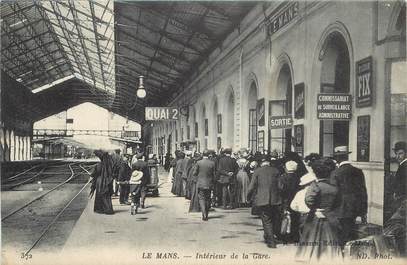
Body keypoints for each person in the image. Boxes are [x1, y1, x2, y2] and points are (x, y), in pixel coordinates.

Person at [296, 158, 342, 261]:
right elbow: (338, 202)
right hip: (330, 217)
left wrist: (315, 209)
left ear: (316, 173)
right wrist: (328, 210)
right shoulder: (334, 188)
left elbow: (308, 199)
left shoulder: (315, 186)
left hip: (314, 218)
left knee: (312, 243)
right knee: (330, 243)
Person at [330, 146, 368, 245]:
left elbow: (334, 192)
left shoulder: (335, 173)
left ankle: (342, 253)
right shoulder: (358, 171)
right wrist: (363, 211)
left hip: (339, 208)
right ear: (346, 156)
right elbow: (363, 192)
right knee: (351, 231)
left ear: (337, 158)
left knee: (340, 234)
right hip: (354, 207)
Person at [247, 155, 282, 248]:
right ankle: (269, 236)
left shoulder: (257, 171)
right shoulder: (276, 171)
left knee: (266, 220)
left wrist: (248, 196)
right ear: (269, 162)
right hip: (275, 199)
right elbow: (280, 186)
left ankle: (271, 241)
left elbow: (251, 186)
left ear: (261, 163)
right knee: (273, 218)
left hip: (262, 199)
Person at [279, 160, 301, 243]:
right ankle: (295, 236)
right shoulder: (298, 177)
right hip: (295, 199)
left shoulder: (283, 177)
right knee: (295, 218)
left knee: (285, 218)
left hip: (285, 200)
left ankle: (284, 237)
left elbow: (280, 189)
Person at [193, 150, 216, 221]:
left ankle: (204, 213)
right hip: (209, 183)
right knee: (208, 198)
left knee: (201, 198)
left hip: (200, 183)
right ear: (209, 155)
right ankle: (207, 212)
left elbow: (194, 173)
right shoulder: (212, 163)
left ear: (202, 155)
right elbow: (214, 174)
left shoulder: (198, 163)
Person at [90, 150, 114, 215]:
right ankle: (108, 209)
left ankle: (100, 209)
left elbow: (93, 174)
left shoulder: (98, 165)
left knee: (99, 195)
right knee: (106, 195)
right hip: (108, 181)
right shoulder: (110, 165)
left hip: (100, 182)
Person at [392, 141, 407, 214]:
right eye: (396, 154)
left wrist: (397, 195)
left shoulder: (404, 166)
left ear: (406, 154)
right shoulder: (402, 165)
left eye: (400, 153)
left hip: (403, 201)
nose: (397, 156)